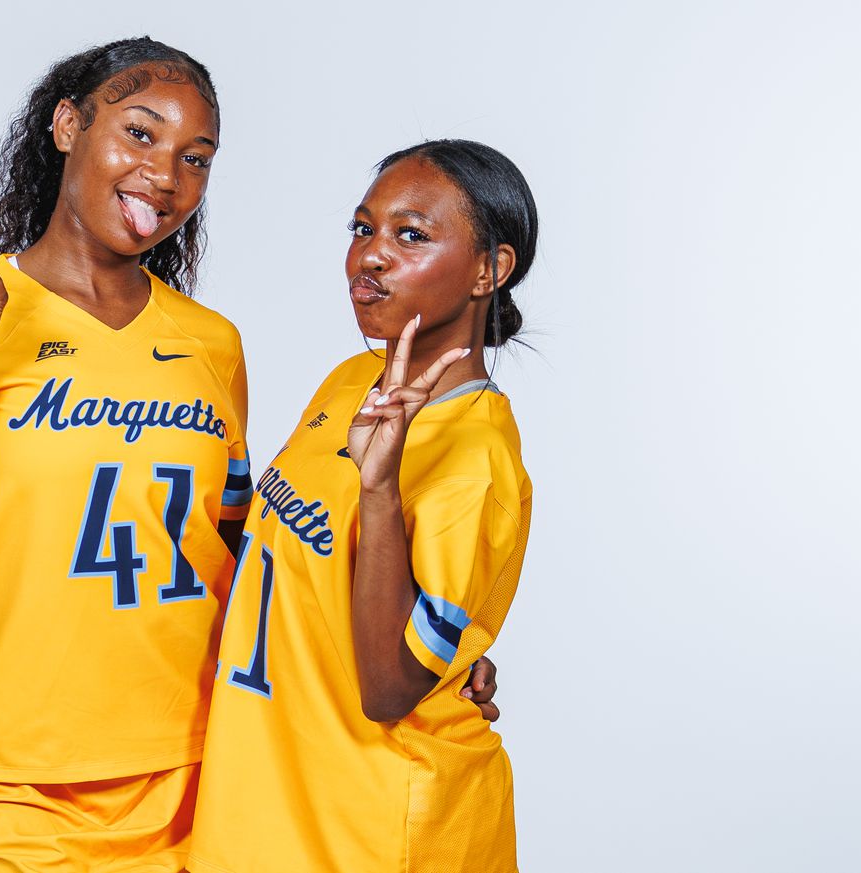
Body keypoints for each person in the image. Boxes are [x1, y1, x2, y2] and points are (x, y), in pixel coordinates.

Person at [0, 37, 500, 871]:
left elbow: (244, 553)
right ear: (67, 125)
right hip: (14, 781)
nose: (165, 175)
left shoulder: (211, 346)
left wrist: (435, 645)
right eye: (139, 133)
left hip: (210, 768)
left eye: (194, 158)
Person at [189, 139, 537, 873]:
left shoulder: (477, 456)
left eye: (411, 235)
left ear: (489, 270)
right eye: (362, 229)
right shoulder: (354, 379)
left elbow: (387, 688)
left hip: (381, 830)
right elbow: (279, 561)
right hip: (273, 807)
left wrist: (379, 491)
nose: (370, 256)